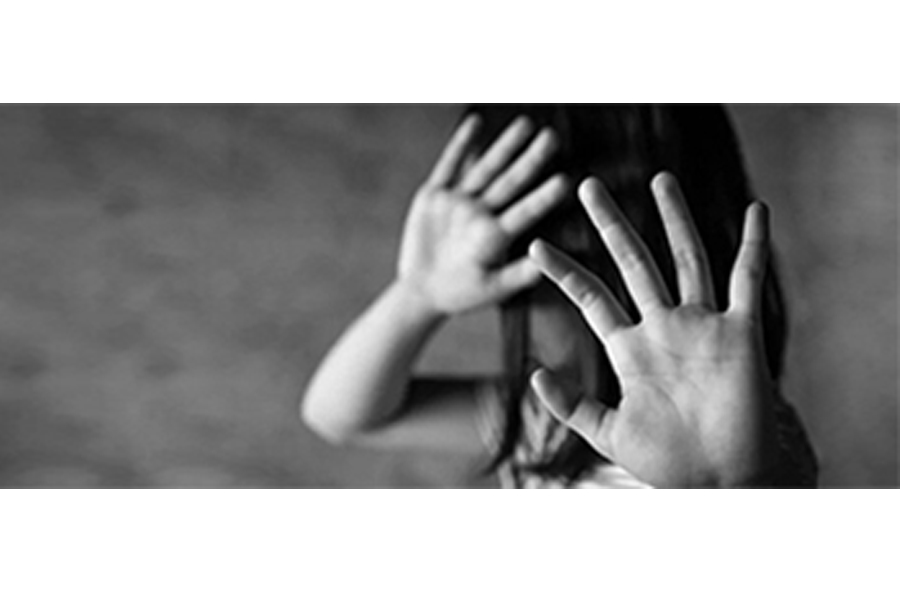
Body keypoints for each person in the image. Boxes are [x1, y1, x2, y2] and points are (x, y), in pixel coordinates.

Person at [301, 105, 817, 488]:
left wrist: (714, 488)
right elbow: (342, 416)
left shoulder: (757, 448)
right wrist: (418, 295)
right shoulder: (552, 418)